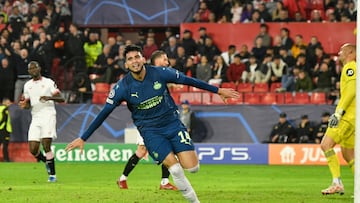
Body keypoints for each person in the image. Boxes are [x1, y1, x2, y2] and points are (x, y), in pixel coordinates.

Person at [65, 45, 239, 203]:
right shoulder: (122, 87)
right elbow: (103, 113)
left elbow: (189, 80)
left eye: (137, 57)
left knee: (192, 168)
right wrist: (83, 138)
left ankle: (174, 152)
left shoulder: (160, 72)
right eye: (130, 59)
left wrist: (218, 90)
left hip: (172, 124)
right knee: (176, 170)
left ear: (143, 59)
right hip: (150, 132)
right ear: (126, 64)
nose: (134, 61)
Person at [117, 50, 177, 190]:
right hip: (147, 122)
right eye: (164, 59)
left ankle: (164, 182)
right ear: (156, 61)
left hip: (160, 121)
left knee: (166, 149)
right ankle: (122, 178)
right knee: (141, 151)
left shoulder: (158, 74)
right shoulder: (146, 76)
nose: (167, 62)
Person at [19, 61, 65, 182]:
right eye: (31, 69)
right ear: (29, 71)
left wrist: (49, 97)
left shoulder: (48, 82)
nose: (33, 70)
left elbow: (61, 98)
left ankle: (52, 175)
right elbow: (28, 103)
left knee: (46, 144)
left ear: (39, 68)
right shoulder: (27, 85)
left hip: (48, 114)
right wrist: (25, 105)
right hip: (35, 116)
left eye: (35, 67)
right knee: (33, 149)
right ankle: (47, 161)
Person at [320, 43, 356, 195]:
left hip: (347, 116)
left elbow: (352, 91)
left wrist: (338, 112)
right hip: (354, 117)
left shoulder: (350, 67)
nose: (339, 53)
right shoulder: (353, 67)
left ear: (350, 52)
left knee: (326, 145)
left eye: (342, 50)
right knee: (348, 155)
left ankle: (337, 183)